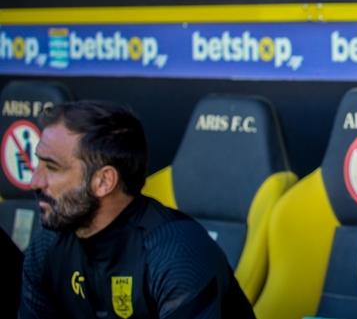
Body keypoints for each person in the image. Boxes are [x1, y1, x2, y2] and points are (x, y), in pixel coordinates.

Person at [19, 100, 255, 319]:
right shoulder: (47, 246)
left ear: (103, 181)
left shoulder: (175, 253)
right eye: (38, 162)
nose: (35, 182)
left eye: (52, 167)